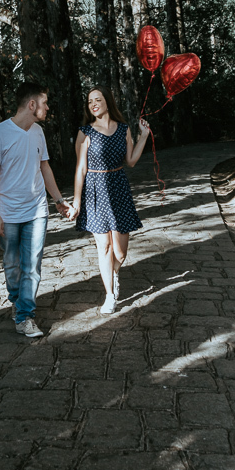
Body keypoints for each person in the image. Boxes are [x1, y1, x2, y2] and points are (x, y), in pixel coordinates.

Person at [0, 82, 72, 337]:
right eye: (44, 103)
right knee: (12, 265)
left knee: (31, 266)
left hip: (36, 211)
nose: (47, 107)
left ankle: (24, 316)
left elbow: (44, 167)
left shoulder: (38, 132)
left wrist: (58, 200)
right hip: (8, 214)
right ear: (32, 104)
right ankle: (17, 300)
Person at [69, 86, 150, 315]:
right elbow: (80, 168)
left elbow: (131, 161)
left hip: (118, 188)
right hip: (95, 191)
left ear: (108, 101)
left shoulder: (123, 129)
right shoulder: (85, 132)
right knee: (103, 246)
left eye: (98, 99)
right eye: (90, 101)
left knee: (120, 253)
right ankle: (110, 295)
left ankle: (114, 272)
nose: (93, 104)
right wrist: (77, 201)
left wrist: (143, 135)